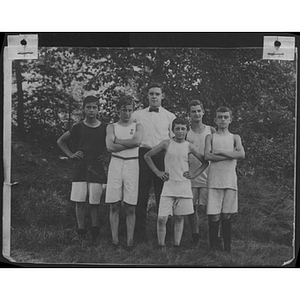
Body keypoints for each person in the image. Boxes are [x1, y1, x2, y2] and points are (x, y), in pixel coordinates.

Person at [144, 117, 208, 248]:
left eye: (183, 129)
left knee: (179, 217)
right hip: (168, 185)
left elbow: (205, 162)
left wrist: (194, 174)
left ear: (187, 130)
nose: (180, 132)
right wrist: (158, 172)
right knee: (162, 218)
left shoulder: (189, 146)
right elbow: (147, 156)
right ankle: (161, 246)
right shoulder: (166, 143)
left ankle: (176, 245)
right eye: (177, 129)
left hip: (183, 185)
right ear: (172, 130)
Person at [57, 95, 107, 241]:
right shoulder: (78, 127)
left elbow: (112, 144)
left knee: (94, 202)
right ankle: (81, 231)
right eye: (88, 107)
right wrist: (71, 155)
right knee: (79, 201)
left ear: (98, 109)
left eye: (94, 107)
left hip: (96, 167)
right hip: (80, 166)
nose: (91, 110)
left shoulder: (104, 128)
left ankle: (95, 232)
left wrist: (107, 157)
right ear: (83, 109)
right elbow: (60, 141)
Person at [131, 82, 176, 243]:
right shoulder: (137, 115)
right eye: (151, 94)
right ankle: (139, 234)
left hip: (161, 157)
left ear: (162, 96)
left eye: (157, 94)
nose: (154, 96)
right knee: (140, 196)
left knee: (162, 196)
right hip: (142, 156)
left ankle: (166, 234)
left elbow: (173, 141)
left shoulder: (170, 117)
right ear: (147, 96)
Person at [204, 106, 245, 252]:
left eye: (225, 117)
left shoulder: (235, 137)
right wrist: (230, 154)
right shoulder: (211, 137)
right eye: (220, 117)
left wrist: (220, 152)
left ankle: (227, 248)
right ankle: (213, 247)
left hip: (229, 181)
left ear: (230, 120)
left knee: (226, 214)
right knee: (214, 215)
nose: (222, 120)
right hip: (214, 180)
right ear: (215, 120)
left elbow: (241, 154)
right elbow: (208, 156)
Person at [105, 96, 143, 250]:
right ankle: (114, 241)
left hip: (132, 164)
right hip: (116, 163)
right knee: (114, 204)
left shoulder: (138, 126)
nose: (127, 113)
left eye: (129, 110)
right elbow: (109, 147)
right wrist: (128, 143)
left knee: (130, 206)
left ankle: (129, 242)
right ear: (118, 110)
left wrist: (118, 141)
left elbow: (137, 142)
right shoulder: (111, 126)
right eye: (124, 110)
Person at [186, 100, 216, 245]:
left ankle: (214, 236)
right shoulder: (186, 132)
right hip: (191, 175)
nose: (196, 114)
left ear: (203, 112)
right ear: (189, 114)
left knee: (210, 207)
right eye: (193, 111)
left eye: (199, 110)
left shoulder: (211, 130)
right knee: (192, 207)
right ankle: (195, 235)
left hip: (209, 174)